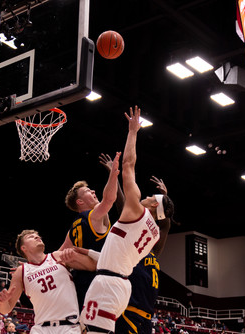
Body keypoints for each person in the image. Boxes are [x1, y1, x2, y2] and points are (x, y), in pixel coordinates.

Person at [80, 106, 175, 334]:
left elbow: (128, 165)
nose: (147, 196)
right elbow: (165, 222)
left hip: (111, 286)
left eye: (151, 197)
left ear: (153, 206)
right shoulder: (153, 236)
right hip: (121, 287)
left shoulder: (137, 213)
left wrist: (133, 132)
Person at [0, 229, 97, 334]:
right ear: (23, 248)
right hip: (41, 329)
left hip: (69, 327)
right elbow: (5, 310)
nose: (37, 237)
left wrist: (76, 256)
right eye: (31, 236)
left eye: (38, 235)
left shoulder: (57, 256)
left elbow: (94, 266)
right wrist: (2, 302)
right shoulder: (21, 272)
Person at [61, 151, 121, 309]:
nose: (93, 191)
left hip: (78, 283)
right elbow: (109, 199)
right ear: (80, 201)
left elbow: (58, 255)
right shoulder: (93, 216)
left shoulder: (74, 226)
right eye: (88, 191)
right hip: (97, 282)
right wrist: (113, 173)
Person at [115, 176, 173, 334]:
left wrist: (165, 198)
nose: (147, 197)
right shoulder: (137, 241)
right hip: (129, 312)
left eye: (152, 197)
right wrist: (114, 179)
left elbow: (165, 227)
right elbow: (123, 207)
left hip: (146, 317)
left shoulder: (153, 248)